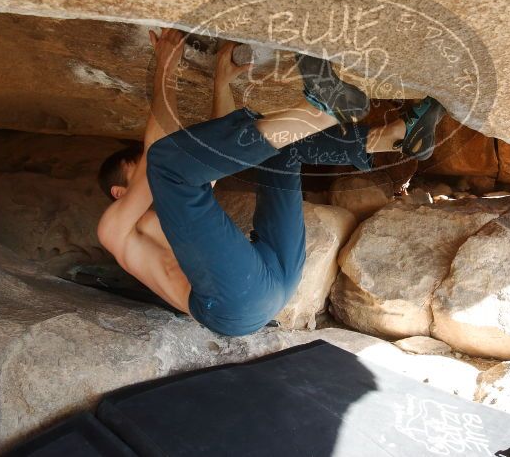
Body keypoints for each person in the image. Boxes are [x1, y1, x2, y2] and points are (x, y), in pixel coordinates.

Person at [97, 28, 445, 336]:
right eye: (135, 167)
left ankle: (393, 137)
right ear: (118, 191)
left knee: (277, 149)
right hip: (233, 307)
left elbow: (224, 152)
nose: (144, 166)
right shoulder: (116, 229)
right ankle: (323, 110)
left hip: (272, 276)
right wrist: (166, 67)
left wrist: (222, 82)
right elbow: (160, 154)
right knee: (165, 161)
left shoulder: (185, 210)